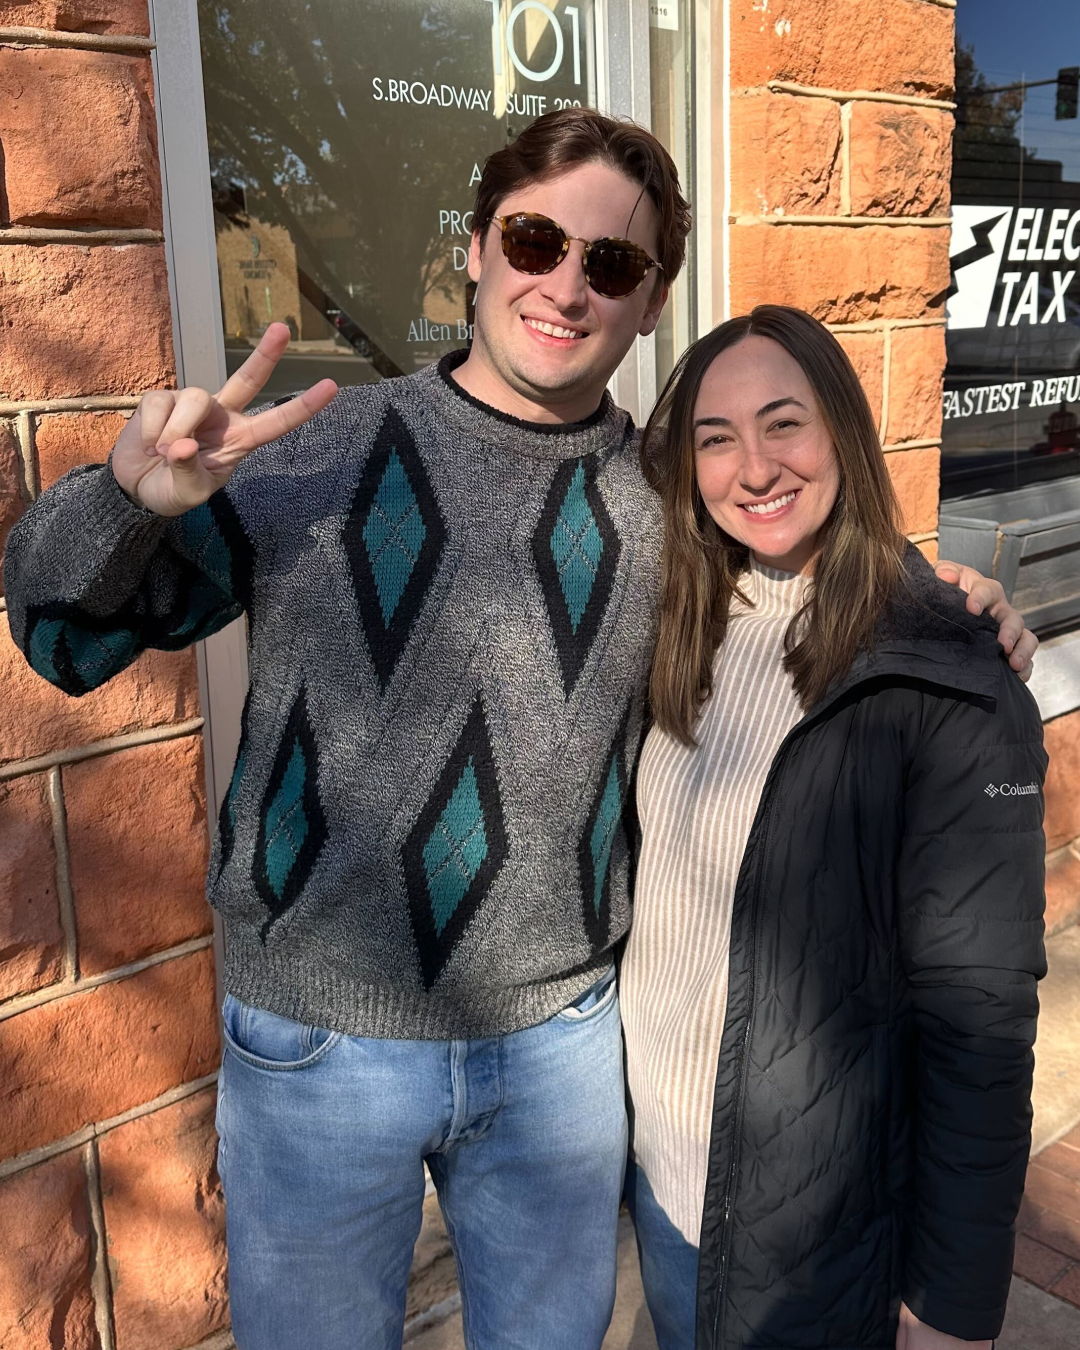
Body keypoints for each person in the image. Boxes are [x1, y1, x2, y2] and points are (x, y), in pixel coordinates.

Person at [3, 111, 1033, 1350]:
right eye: (536, 239)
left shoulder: (669, 500)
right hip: (320, 1051)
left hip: (560, 1053)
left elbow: (810, 545)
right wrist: (126, 502)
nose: (565, 285)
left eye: (613, 263)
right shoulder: (317, 448)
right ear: (478, 249)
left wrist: (958, 608)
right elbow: (63, 640)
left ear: (651, 302)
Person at [620, 305, 1047, 1350]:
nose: (754, 467)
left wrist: (954, 1303)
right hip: (659, 1186)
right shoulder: (683, 620)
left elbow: (980, 1020)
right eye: (715, 439)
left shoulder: (949, 676)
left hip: (802, 1230)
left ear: (845, 436)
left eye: (785, 424)